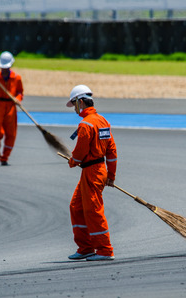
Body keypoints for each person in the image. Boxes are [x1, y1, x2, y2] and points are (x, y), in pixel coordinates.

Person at [66, 84, 118, 261]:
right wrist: (111, 175)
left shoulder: (86, 125)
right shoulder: (102, 121)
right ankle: (86, 247)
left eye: (74, 104)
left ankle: (105, 250)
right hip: (98, 170)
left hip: (92, 172)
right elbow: (112, 151)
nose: (74, 108)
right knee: (77, 206)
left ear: (81, 102)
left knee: (93, 210)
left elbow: (79, 153)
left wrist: (73, 161)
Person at [0, 51, 24, 166]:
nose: (4, 69)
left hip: (11, 107)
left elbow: (20, 92)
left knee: (11, 133)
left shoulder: (17, 78)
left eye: (6, 67)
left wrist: (18, 98)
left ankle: (5, 157)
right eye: (2, 67)